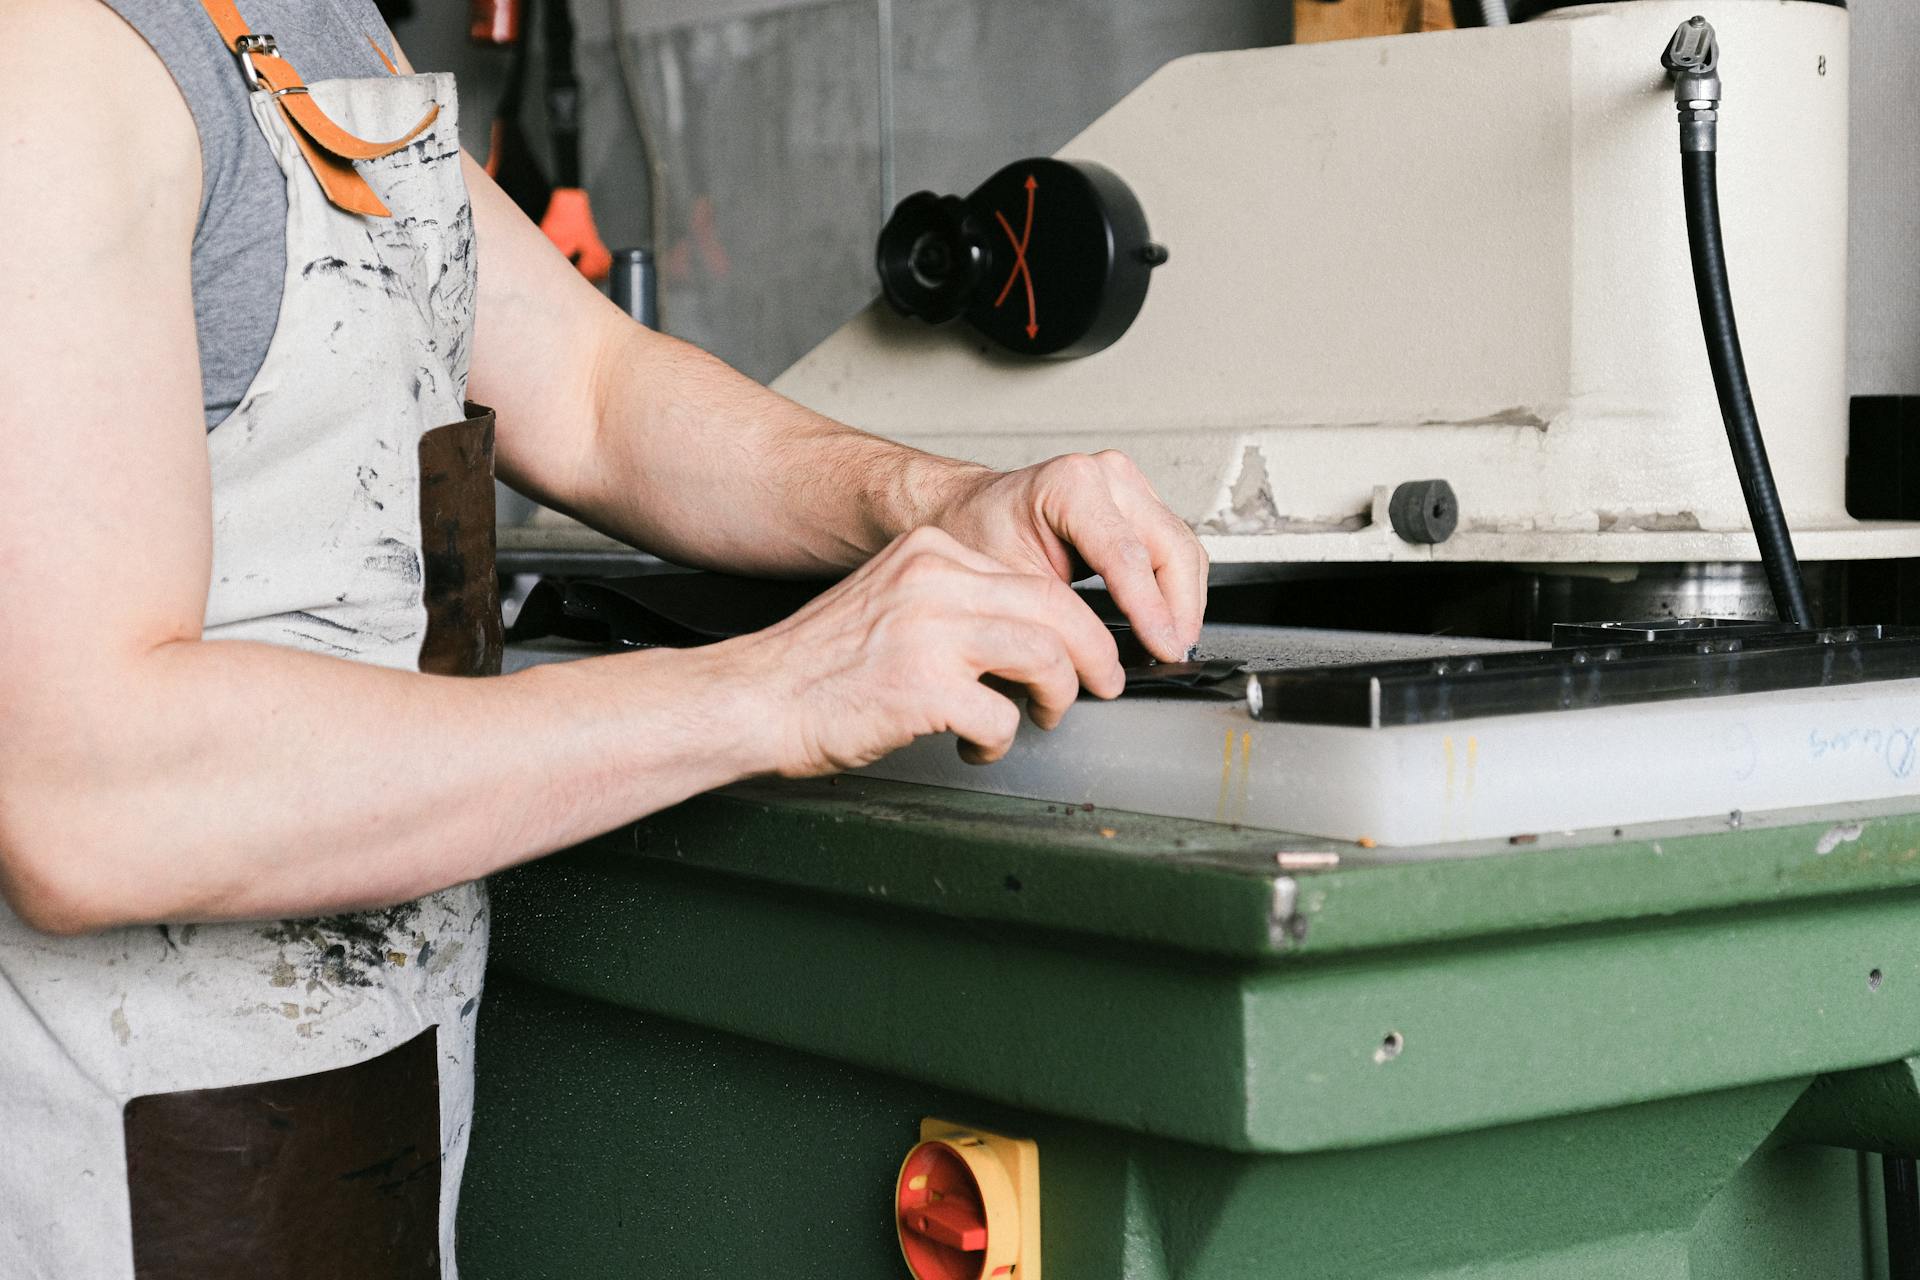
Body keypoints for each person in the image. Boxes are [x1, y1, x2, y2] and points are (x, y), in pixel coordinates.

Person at [0, 0, 1208, 1273]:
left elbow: (592, 389)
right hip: (109, 1162)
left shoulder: (317, 28)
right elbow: (89, 794)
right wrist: (777, 687)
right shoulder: (56, 60)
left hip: (342, 1096)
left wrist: (942, 502)